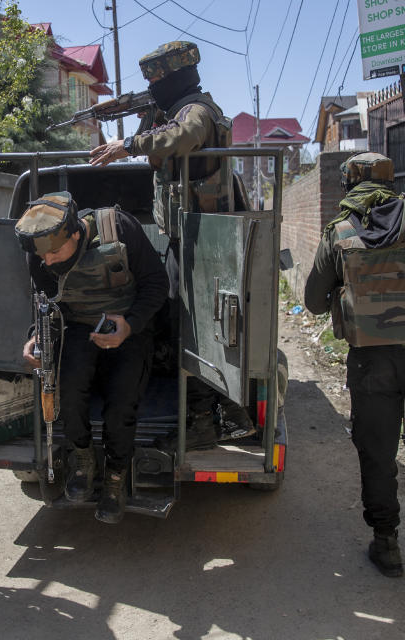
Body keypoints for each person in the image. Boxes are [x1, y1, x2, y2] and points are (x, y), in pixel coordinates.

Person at [303, 152, 405, 577]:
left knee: (377, 453)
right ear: (392, 180)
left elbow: (314, 302)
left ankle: (387, 545)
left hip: (370, 362)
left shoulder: (338, 231)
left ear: (348, 183)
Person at [89, 40, 251, 449]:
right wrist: (146, 118)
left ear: (174, 77)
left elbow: (185, 136)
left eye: (158, 80)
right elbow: (158, 142)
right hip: (193, 235)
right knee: (194, 326)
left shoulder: (195, 110)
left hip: (203, 239)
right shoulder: (175, 109)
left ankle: (206, 422)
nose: (154, 87)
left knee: (192, 329)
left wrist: (127, 144)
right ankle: (229, 415)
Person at [15, 192, 168, 524]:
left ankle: (115, 478)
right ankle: (81, 459)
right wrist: (38, 336)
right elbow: (47, 305)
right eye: (43, 256)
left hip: (129, 325)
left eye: (56, 252)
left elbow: (157, 284)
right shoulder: (40, 254)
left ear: (74, 232)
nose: (49, 262)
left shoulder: (119, 229)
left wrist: (130, 324)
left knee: (122, 403)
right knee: (68, 392)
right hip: (78, 327)